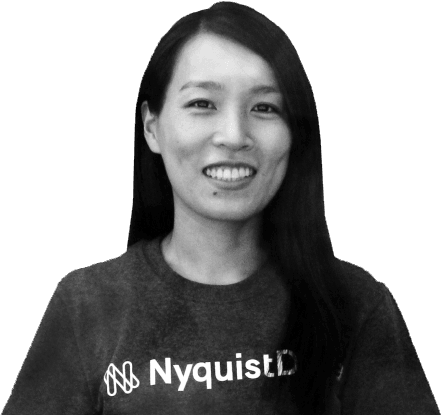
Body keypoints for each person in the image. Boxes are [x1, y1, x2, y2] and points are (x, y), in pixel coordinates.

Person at [2, 2, 439, 414]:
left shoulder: (357, 306)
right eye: (202, 104)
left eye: (264, 107)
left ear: (295, 134)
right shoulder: (86, 304)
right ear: (152, 127)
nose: (233, 135)